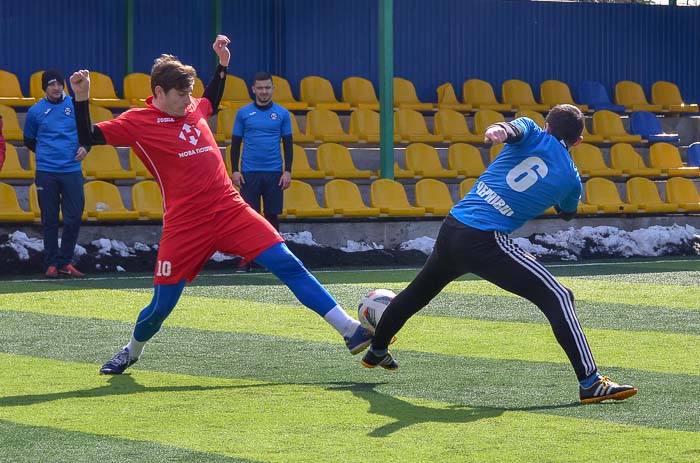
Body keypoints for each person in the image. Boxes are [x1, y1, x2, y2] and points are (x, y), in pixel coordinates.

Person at [69, 35, 372, 375]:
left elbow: (209, 98)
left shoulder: (194, 106)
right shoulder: (137, 122)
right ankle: (131, 350)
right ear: (158, 92)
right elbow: (89, 136)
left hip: (231, 210)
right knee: (160, 309)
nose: (188, 101)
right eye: (181, 94)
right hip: (185, 226)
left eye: (189, 93)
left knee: (287, 263)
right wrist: (81, 97)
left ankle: (349, 330)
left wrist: (223, 63)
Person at [361, 104, 638, 404]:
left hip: (454, 226)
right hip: (484, 240)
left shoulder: (531, 130)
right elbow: (568, 213)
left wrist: (497, 131)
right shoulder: (571, 178)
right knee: (559, 296)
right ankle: (591, 381)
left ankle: (376, 350)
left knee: (418, 292)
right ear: (579, 142)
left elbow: (510, 129)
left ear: (546, 126)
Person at [24, 70, 88, 278]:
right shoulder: (35, 112)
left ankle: (65, 261)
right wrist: (47, 154)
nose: (56, 88)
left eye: (59, 84)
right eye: (51, 84)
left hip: (71, 171)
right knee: (50, 219)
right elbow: (29, 140)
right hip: (46, 172)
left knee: (73, 217)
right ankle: (51, 263)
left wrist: (85, 147)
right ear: (45, 88)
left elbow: (87, 131)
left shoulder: (74, 105)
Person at [230, 72, 292, 272]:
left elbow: (289, 145)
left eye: (267, 88)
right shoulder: (243, 113)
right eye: (260, 88)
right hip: (249, 173)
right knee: (249, 218)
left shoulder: (282, 114)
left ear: (272, 89)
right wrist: (235, 170)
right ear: (253, 89)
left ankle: (274, 261)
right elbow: (235, 144)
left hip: (274, 173)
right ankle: (247, 259)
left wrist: (287, 171)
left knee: (272, 217)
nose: (264, 91)